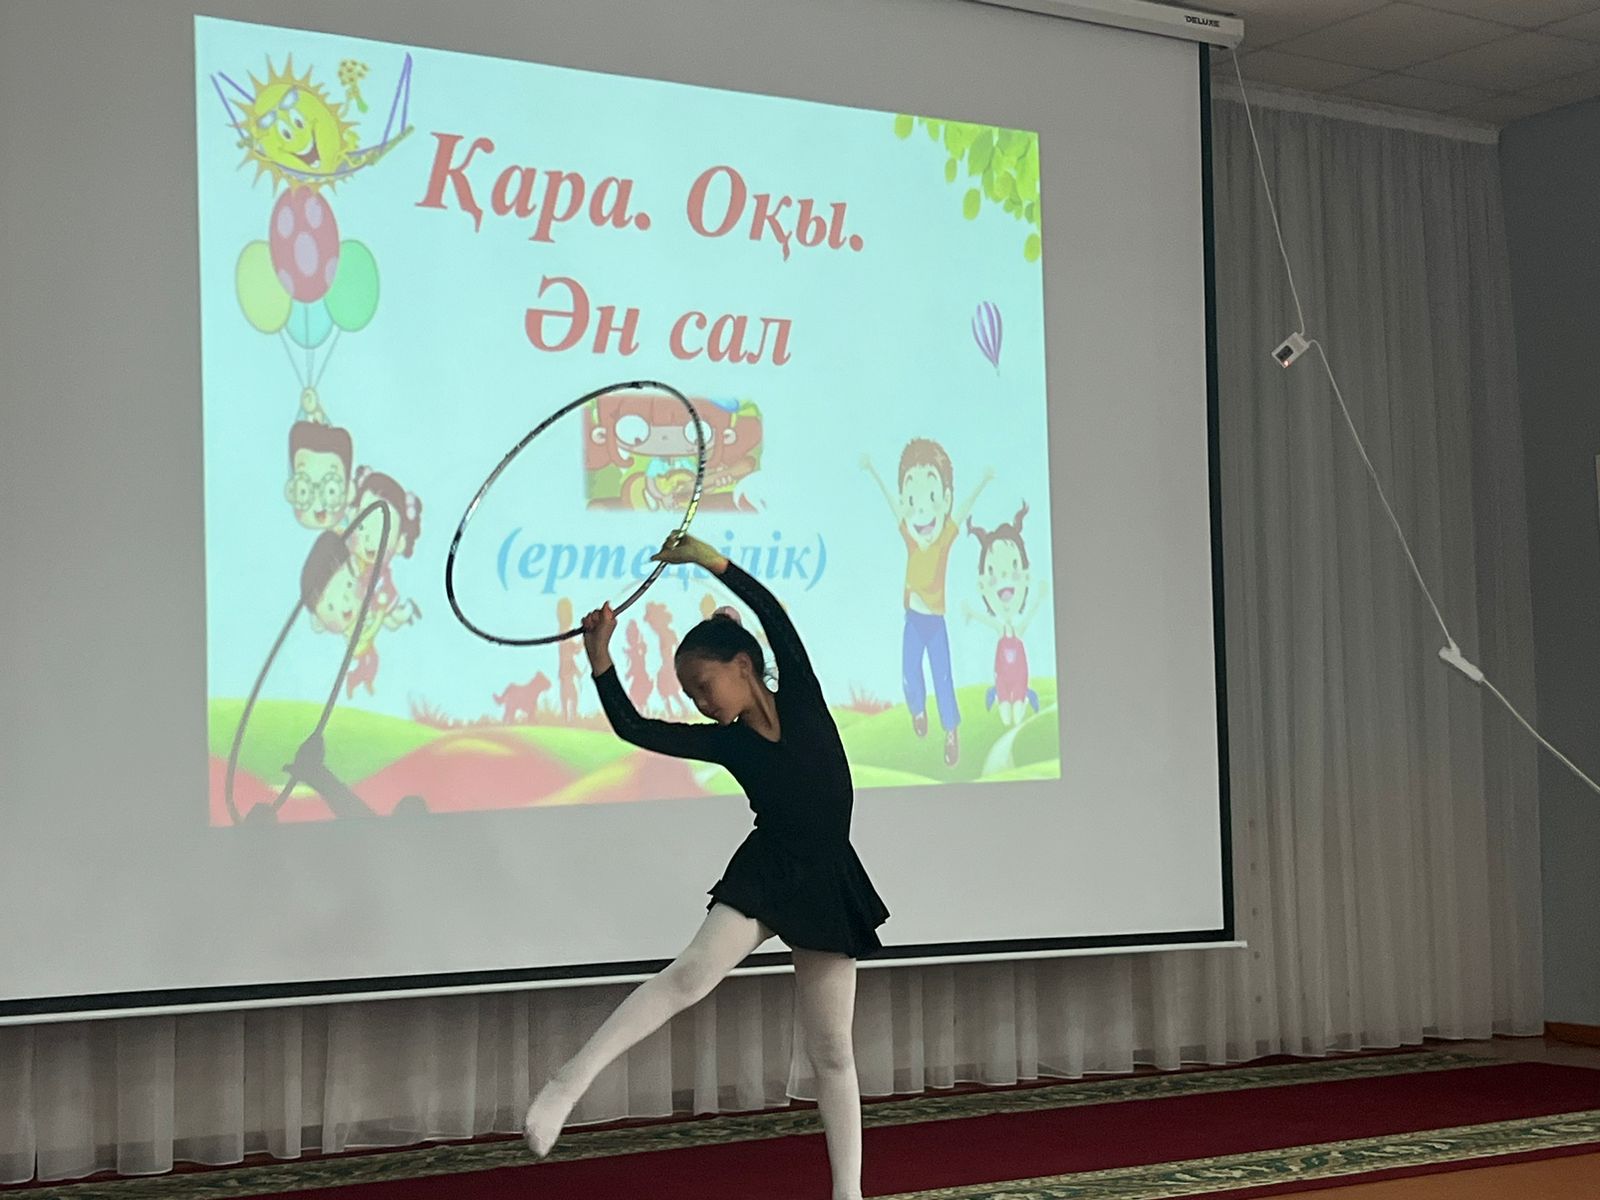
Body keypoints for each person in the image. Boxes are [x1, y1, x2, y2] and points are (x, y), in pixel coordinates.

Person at [523, 531, 889, 1200]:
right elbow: (636, 729)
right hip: (768, 869)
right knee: (690, 975)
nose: (700, 702)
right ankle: (566, 1084)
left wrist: (711, 561)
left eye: (703, 685)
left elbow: (770, 609)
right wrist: (600, 661)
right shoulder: (731, 744)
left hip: (828, 878)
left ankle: (849, 1194)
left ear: (743, 664)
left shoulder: (802, 696)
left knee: (833, 1051)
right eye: (690, 695)